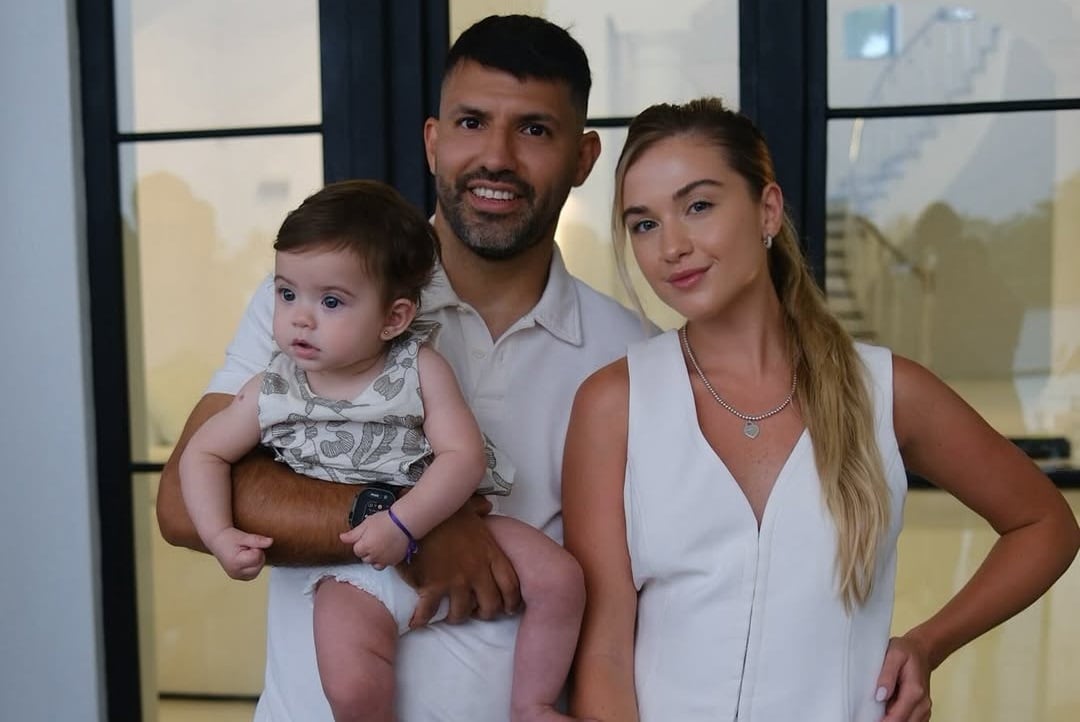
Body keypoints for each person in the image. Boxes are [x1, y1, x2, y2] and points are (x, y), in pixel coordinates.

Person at [156, 14, 651, 722]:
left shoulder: (631, 351)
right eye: (472, 122)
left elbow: (639, 597)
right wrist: (412, 523)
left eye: (535, 129)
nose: (497, 157)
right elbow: (181, 503)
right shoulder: (314, 305)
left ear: (584, 156)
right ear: (433, 140)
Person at [563, 97, 1080, 722]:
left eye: (698, 206)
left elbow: (1045, 525)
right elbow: (605, 652)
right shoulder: (614, 404)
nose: (671, 246)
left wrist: (927, 645)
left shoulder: (885, 391)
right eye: (644, 224)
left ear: (767, 210)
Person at [179, 179, 591, 722]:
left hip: (440, 521)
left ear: (393, 318)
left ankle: (532, 704)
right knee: (350, 682)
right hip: (345, 564)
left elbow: (462, 457)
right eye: (286, 293)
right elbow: (202, 455)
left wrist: (404, 523)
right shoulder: (272, 389)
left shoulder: (417, 368)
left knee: (561, 579)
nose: (300, 317)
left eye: (331, 302)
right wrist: (219, 534)